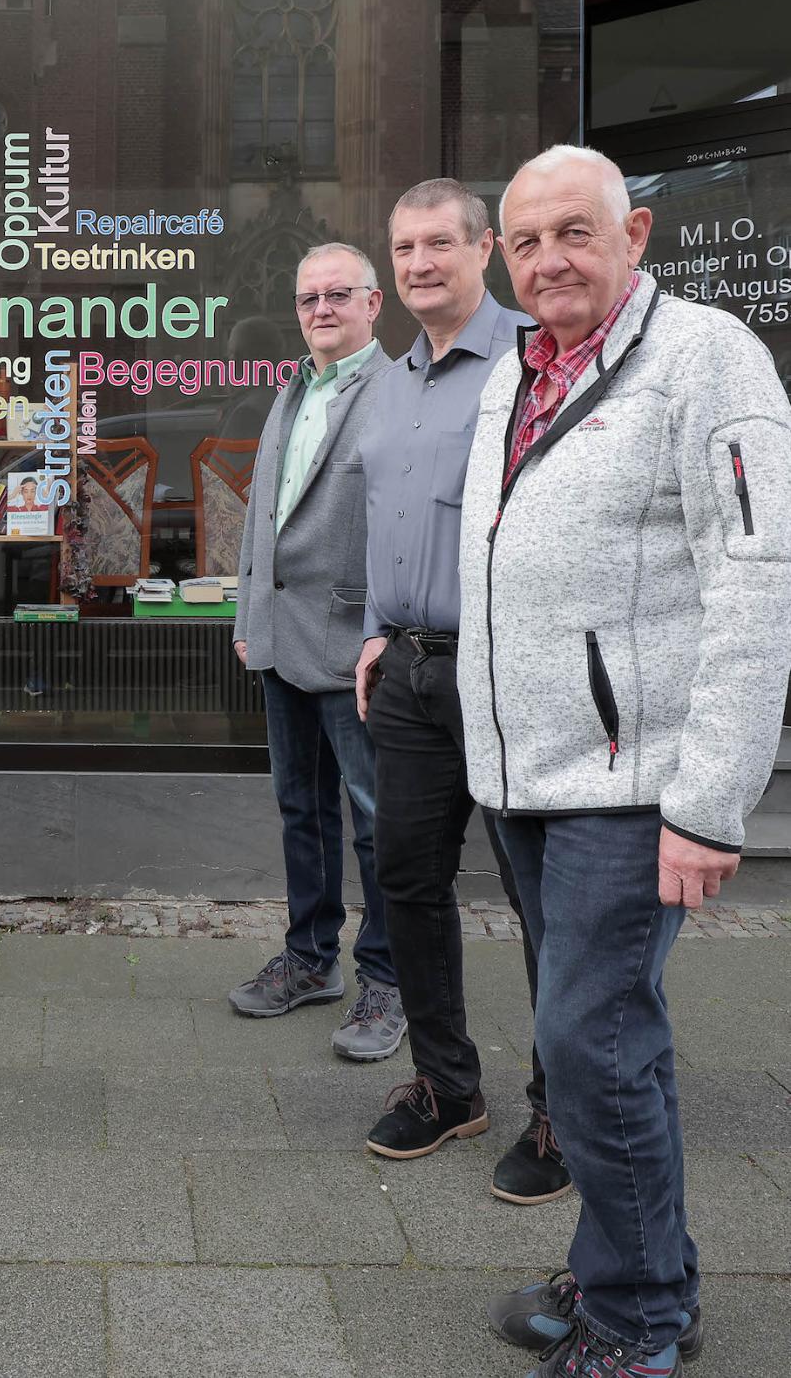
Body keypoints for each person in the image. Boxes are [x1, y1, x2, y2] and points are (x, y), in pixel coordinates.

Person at [465, 145, 791, 1378]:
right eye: (529, 240)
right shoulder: (519, 369)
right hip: (529, 776)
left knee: (596, 1048)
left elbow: (757, 585)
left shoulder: (709, 361)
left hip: (631, 781)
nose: (550, 259)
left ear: (635, 235)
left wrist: (711, 805)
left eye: (575, 233)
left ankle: (643, 1320)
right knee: (584, 1045)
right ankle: (625, 1269)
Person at [355, 178, 567, 1206]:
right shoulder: (387, 379)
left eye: (441, 242)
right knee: (405, 883)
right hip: (407, 670)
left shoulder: (535, 362)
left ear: (482, 249)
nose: (421, 262)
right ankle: (447, 1086)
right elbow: (383, 517)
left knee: (542, 901)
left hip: (507, 670)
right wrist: (371, 630)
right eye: (405, 246)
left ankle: (564, 1107)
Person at [229, 243, 405, 1060]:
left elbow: (406, 532)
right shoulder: (293, 390)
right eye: (309, 298)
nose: (322, 309)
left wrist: (384, 629)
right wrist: (246, 610)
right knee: (302, 811)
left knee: (375, 822)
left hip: (352, 647)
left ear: (375, 304)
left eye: (339, 295)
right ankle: (310, 959)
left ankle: (389, 981)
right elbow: (262, 511)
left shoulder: (399, 393)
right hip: (278, 641)